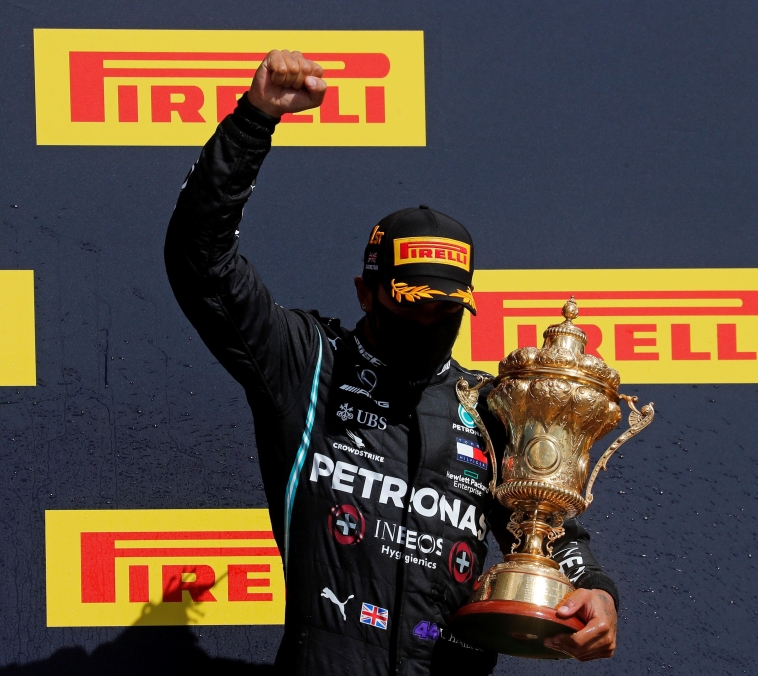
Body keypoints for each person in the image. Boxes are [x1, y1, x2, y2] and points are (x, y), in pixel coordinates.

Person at [164, 49, 619, 676]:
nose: (429, 322)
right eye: (412, 306)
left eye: (445, 308)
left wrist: (593, 588)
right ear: (365, 292)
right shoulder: (308, 365)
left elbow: (545, 528)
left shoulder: (490, 407)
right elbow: (201, 261)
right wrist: (254, 120)